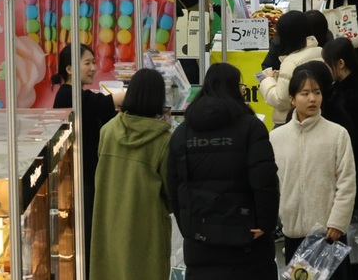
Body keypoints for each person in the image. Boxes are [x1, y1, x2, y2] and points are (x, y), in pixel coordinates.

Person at [167, 63, 280, 280]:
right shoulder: (251, 127)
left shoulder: (182, 133)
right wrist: (265, 223)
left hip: (200, 239)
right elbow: (265, 181)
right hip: (247, 240)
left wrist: (188, 227)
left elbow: (173, 186)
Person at [270, 64, 357, 280]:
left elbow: (347, 182)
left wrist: (337, 222)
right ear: (292, 99)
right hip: (293, 233)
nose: (312, 99)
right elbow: (272, 184)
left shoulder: (337, 134)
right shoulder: (276, 138)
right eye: (305, 93)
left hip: (328, 235)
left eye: (317, 93)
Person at [90, 69, 171, 280]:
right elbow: (170, 192)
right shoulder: (162, 140)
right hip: (147, 226)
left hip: (108, 221)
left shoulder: (108, 131)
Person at [52, 44, 124, 275]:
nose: (93, 68)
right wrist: (131, 93)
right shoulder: (67, 95)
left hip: (88, 177)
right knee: (84, 235)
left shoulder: (80, 94)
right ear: (70, 68)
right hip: (77, 180)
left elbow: (104, 111)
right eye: (87, 63)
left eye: (94, 62)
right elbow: (101, 105)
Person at [322, 38, 358, 277]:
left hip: (355, 184)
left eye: (327, 64)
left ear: (340, 64)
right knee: (353, 251)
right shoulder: (353, 88)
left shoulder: (351, 99)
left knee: (352, 252)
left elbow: (354, 147)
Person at [258, 10, 325, 126]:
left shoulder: (290, 63)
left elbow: (281, 101)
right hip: (319, 117)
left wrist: (267, 81)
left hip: (291, 121)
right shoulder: (321, 52)